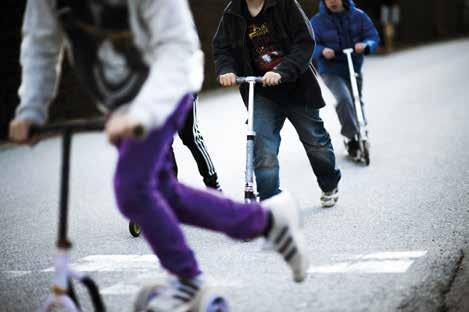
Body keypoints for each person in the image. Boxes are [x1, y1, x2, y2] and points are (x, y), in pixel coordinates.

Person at [9, 0, 309, 310]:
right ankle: (268, 220)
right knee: (164, 193)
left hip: (167, 87)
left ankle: (188, 279)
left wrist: (144, 113)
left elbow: (176, 45)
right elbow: (41, 45)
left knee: (132, 189)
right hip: (122, 104)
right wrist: (32, 107)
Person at [213, 0, 341, 207]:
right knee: (262, 148)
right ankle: (271, 203)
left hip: (297, 86)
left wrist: (281, 71)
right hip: (262, 93)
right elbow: (222, 49)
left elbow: (305, 42)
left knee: (315, 142)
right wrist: (225, 70)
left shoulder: (285, 4)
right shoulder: (233, 12)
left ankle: (328, 184)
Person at [310, 0, 379, 159]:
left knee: (356, 99)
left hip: (353, 66)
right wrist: (322, 51)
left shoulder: (358, 16)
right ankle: (351, 137)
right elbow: (310, 44)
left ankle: (361, 128)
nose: (332, 1)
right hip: (330, 70)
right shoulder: (317, 22)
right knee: (343, 99)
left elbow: (372, 36)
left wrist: (366, 45)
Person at [172, 94, 222, 191]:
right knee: (163, 144)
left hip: (183, 90)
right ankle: (170, 188)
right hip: (156, 95)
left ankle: (213, 185)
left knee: (191, 137)